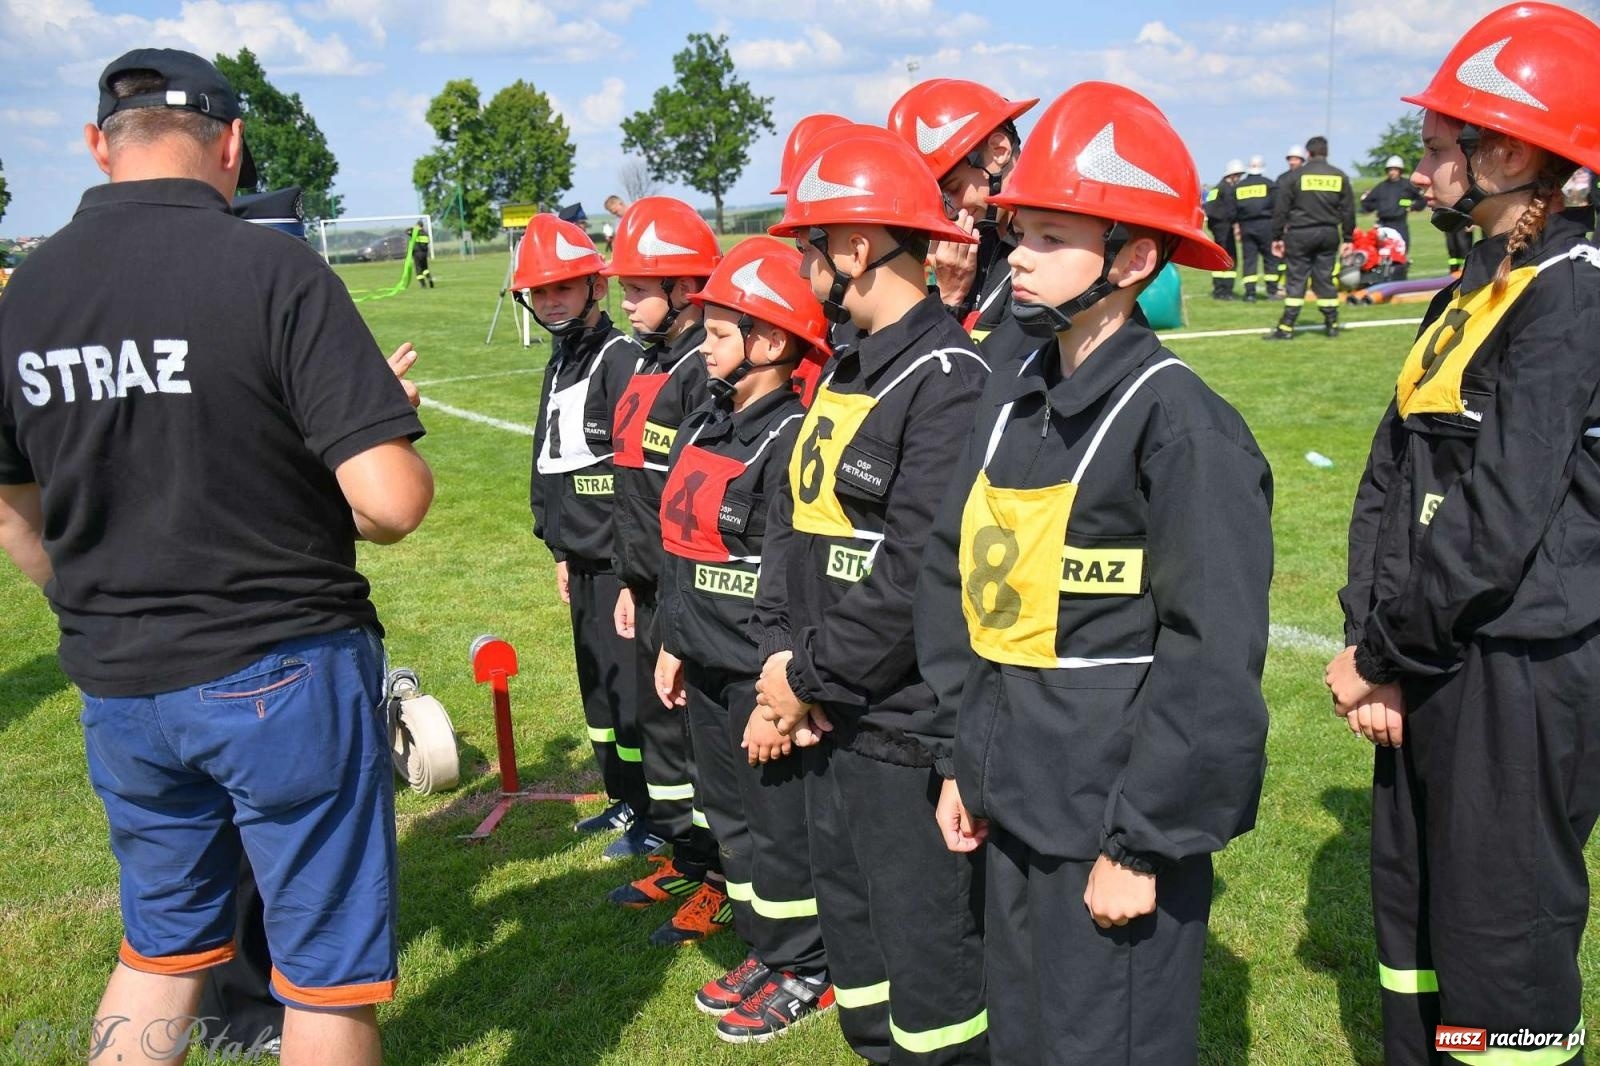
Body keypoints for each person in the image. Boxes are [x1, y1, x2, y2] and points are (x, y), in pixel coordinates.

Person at [0, 49, 432, 1066]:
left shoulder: (26, 293)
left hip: (121, 681)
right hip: (280, 666)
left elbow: (16, 514)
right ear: (232, 145)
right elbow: (390, 502)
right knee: (326, 976)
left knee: (161, 950)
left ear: (98, 145)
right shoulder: (274, 268)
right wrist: (373, 432)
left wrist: (95, 605)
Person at [915, 80, 1272, 1066]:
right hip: (1014, 803)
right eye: (1018, 231)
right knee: (1025, 1041)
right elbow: (959, 581)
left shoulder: (1182, 426)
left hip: (1110, 827)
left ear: (1134, 258)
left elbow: (1209, 660)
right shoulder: (1014, 397)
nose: (1018, 255)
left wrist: (1142, 843)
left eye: (1050, 236)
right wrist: (962, 760)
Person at [1327, 6, 1600, 1064]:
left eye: (1442, 141)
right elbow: (1391, 474)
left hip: (1515, 668)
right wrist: (1372, 639)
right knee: (1416, 921)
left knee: (1501, 940)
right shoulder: (1472, 285)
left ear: (1514, 153)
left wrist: (1384, 654)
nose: (1422, 161)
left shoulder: (1570, 295)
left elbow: (1497, 518)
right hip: (1435, 652)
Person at [756, 131, 991, 1063]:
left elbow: (915, 573)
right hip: (827, 712)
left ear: (857, 249)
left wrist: (806, 676)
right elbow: (792, 527)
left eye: (813, 245)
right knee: (860, 957)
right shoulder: (846, 366)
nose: (805, 265)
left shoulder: (950, 380)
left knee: (930, 971)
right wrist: (782, 659)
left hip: (900, 727)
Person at [652, 236, 835, 1042]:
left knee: (778, 828)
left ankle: (807, 966)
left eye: (721, 332)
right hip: (705, 663)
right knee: (730, 818)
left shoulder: (792, 437)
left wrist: (774, 697)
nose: (704, 344)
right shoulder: (710, 420)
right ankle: (768, 947)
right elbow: (685, 550)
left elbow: (791, 581)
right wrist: (674, 640)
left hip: (756, 680)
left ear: (771, 342)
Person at [601, 196, 729, 945]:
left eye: (638, 288)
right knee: (662, 736)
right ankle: (686, 856)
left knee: (694, 739)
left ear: (686, 289)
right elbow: (634, 489)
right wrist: (630, 579)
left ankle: (721, 878)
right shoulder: (648, 359)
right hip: (647, 587)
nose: (625, 302)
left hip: (685, 594)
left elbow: (692, 506)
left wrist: (672, 600)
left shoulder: (697, 372)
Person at [516, 213, 655, 857]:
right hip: (582, 561)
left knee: (631, 694)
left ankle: (655, 812)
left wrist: (631, 570)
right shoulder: (560, 360)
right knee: (599, 692)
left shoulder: (619, 359)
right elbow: (550, 464)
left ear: (596, 287)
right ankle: (623, 798)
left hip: (618, 565)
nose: (551, 301)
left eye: (564, 288)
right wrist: (559, 548)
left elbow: (636, 478)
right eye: (541, 292)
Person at [886, 78, 1037, 348]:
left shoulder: (1047, 253)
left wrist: (950, 301)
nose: (953, 209)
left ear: (999, 150)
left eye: (954, 188)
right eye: (942, 198)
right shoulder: (973, 248)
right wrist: (945, 296)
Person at [1265, 135, 1355, 340]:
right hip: (1329, 233)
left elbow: (1281, 210)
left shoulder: (1295, 176)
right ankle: (1332, 323)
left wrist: (1277, 236)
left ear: (1308, 153)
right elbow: (1348, 210)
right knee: (1325, 278)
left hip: (1300, 233)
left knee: (1296, 279)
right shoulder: (1339, 175)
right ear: (1327, 152)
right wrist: (1348, 238)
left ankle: (1286, 327)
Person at [1360, 155, 1427, 254]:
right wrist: (1368, 203)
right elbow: (1367, 203)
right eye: (1390, 170)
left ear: (1400, 170)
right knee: (1381, 253)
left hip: (1400, 224)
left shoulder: (1407, 185)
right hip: (1383, 224)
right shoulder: (1381, 187)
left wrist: (1413, 207)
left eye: (1395, 169)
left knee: (1401, 252)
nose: (1392, 172)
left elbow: (1422, 199)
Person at [1236, 155, 1279, 300]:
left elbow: (1234, 209)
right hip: (1266, 224)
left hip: (1246, 225)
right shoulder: (1269, 185)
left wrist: (1237, 227)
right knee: (1270, 258)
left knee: (1249, 260)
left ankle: (1250, 293)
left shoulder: (1240, 186)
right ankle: (1272, 291)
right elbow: (1277, 207)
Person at [1203, 160, 1244, 299]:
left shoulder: (1215, 189)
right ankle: (1226, 291)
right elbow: (1232, 210)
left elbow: (1208, 208)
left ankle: (1218, 289)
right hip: (1226, 228)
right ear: (1232, 175)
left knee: (1219, 257)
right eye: (1238, 176)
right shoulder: (1228, 190)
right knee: (1230, 258)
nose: (1239, 179)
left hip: (1216, 228)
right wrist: (1237, 223)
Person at [409, 218, 433, 288]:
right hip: (424, 254)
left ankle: (423, 285)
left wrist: (413, 228)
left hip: (417, 253)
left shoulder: (415, 233)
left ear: (417, 226)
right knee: (425, 268)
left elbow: (406, 231)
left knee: (418, 270)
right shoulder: (425, 234)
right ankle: (429, 278)